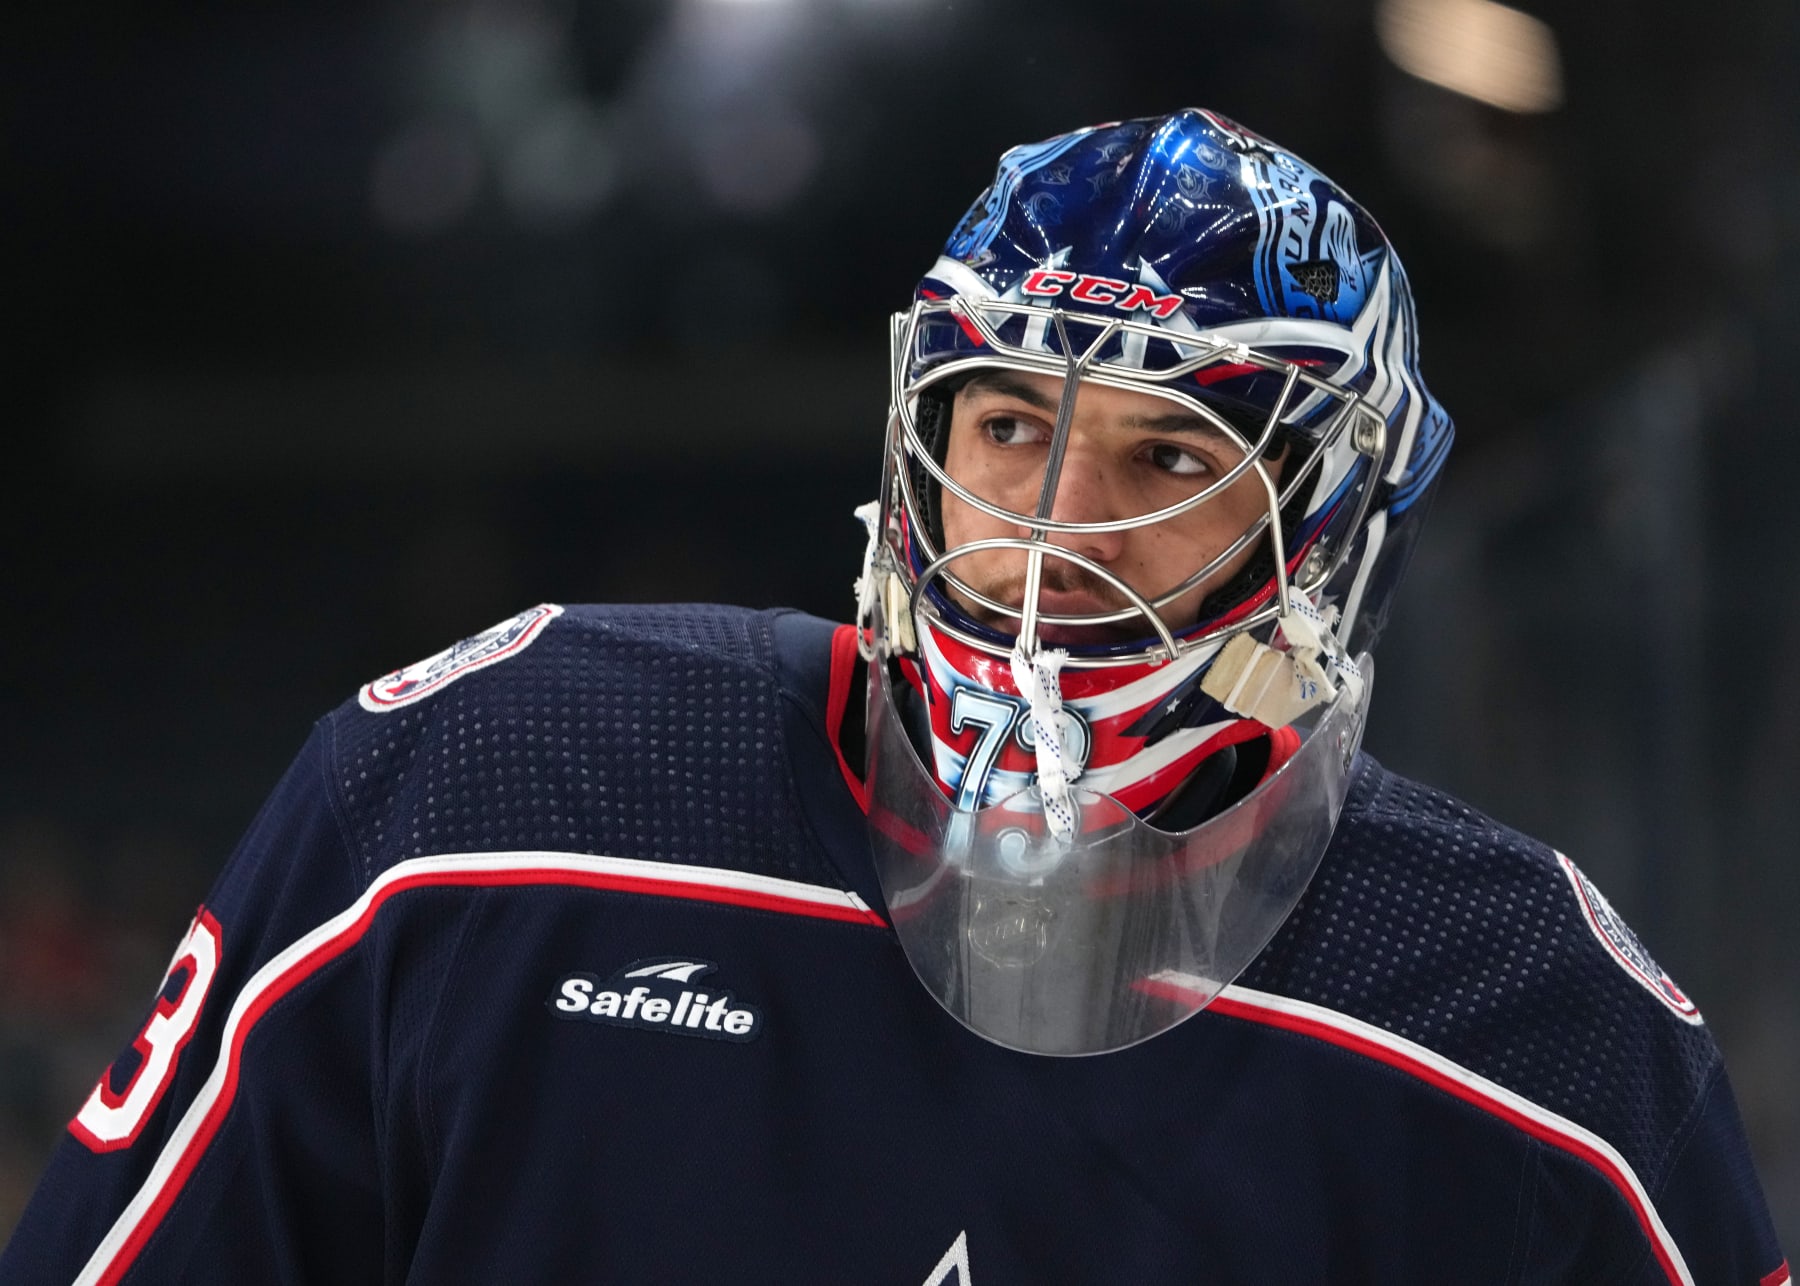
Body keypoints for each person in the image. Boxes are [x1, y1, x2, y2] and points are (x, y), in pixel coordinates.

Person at [1, 108, 1786, 1285]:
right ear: (916, 439)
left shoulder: (1553, 1041)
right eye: (1012, 426)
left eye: (1170, 451)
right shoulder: (487, 784)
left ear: (1323, 531)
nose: (1054, 535)